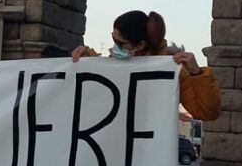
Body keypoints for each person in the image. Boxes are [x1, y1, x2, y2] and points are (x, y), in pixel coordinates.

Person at [71, 10, 221, 121]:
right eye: (113, 38)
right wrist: (87, 60)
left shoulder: (173, 70)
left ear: (141, 45)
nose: (115, 46)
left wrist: (197, 73)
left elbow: (207, 113)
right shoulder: (114, 63)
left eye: (121, 43)